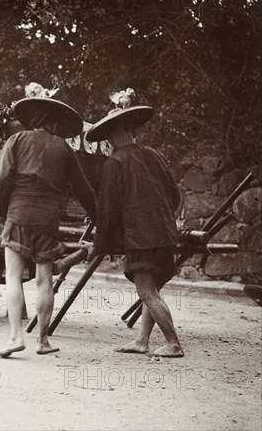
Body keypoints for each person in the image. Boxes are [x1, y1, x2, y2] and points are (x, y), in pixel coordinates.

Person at [0, 85, 97, 357]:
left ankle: (15, 336)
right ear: (53, 122)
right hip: (48, 219)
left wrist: (4, 212)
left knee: (13, 278)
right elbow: (83, 188)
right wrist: (98, 216)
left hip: (19, 214)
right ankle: (42, 341)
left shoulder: (15, 141)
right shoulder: (63, 148)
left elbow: (1, 179)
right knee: (44, 281)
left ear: (35, 119)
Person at [85, 95, 184, 358]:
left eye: (109, 137)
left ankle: (173, 343)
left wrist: (99, 245)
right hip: (164, 234)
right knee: (152, 288)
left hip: (142, 239)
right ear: (132, 131)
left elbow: (107, 213)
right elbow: (175, 198)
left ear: (114, 137)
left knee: (146, 291)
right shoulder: (154, 155)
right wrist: (159, 219)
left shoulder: (114, 163)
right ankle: (142, 340)